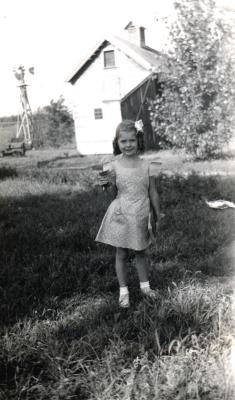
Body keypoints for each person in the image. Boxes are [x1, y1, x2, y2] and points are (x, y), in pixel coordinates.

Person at [95, 119, 161, 308]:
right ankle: (123, 291)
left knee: (141, 251)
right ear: (117, 143)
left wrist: (158, 213)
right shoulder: (113, 165)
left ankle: (145, 287)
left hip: (141, 212)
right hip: (122, 213)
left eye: (132, 140)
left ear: (139, 140)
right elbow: (112, 193)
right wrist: (105, 184)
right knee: (121, 253)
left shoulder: (148, 165)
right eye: (123, 141)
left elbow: (153, 191)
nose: (128, 145)